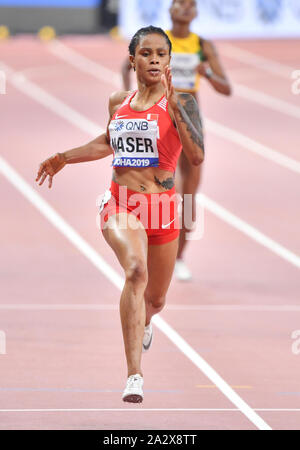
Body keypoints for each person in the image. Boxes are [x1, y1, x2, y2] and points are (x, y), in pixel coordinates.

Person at [36, 26, 204, 403]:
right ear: (133, 60)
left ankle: (143, 321)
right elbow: (105, 143)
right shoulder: (118, 101)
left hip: (162, 209)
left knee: (156, 300)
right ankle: (134, 376)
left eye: (162, 53)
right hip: (121, 204)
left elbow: (196, 157)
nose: (155, 60)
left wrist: (178, 111)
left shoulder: (184, 102)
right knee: (135, 271)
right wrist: (64, 157)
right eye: (146, 53)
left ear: (169, 60)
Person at [122, 0, 232, 281]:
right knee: (162, 190)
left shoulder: (202, 46)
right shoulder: (160, 42)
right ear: (169, 9)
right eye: (178, 3)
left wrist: (205, 72)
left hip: (190, 121)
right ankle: (149, 248)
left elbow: (226, 88)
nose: (184, 8)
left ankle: (179, 257)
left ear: (196, 12)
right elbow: (127, 65)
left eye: (190, 4)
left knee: (189, 197)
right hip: (159, 122)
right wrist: (131, 98)